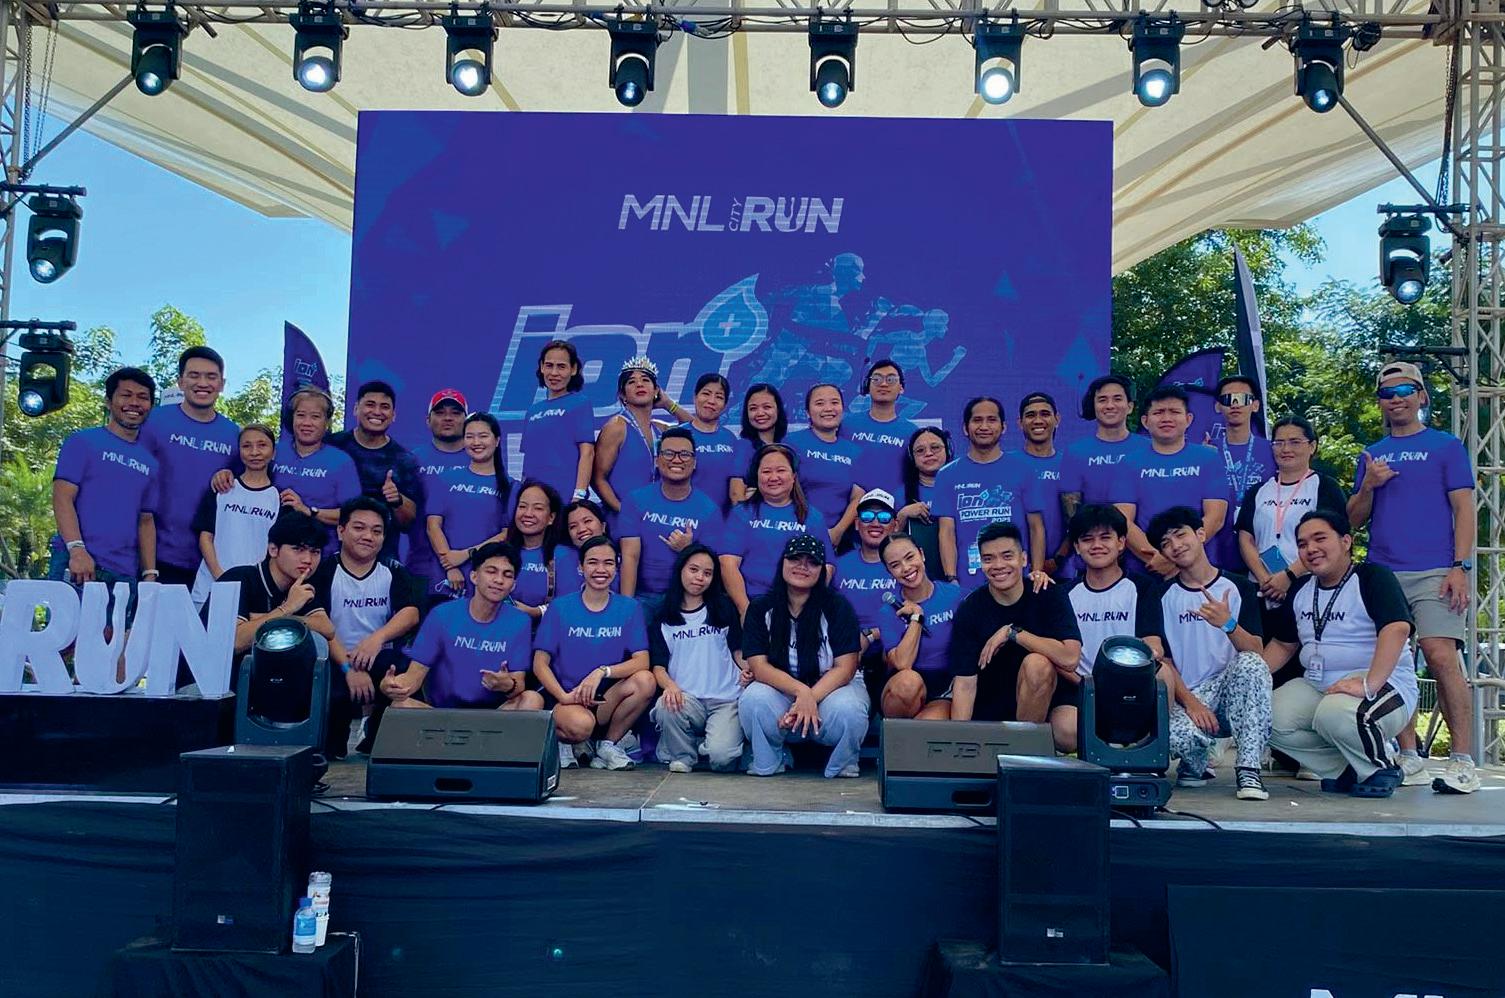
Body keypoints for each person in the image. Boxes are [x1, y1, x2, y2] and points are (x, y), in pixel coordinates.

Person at [1348, 360, 1478, 794]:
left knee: (1440, 656)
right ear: (1380, 403)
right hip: (1384, 570)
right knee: (1390, 661)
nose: (1396, 399)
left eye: (1405, 390)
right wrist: (1368, 485)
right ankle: (1408, 753)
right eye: (1387, 393)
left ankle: (1462, 760)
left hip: (1437, 568)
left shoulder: (1446, 446)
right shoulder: (1372, 453)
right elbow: (1352, 521)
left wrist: (1461, 566)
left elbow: (1464, 509)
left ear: (1422, 396)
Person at [1263, 510, 1419, 798]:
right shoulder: (1301, 588)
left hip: (1383, 684)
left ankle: (1381, 768)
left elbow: (1396, 628)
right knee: (1261, 716)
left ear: (1346, 541)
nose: (1311, 549)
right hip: (1318, 684)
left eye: (1320, 538)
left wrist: (1369, 684)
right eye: (1302, 544)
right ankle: (1344, 769)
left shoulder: (1373, 577)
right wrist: (1249, 681)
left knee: (1334, 713)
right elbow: (1284, 645)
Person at [1146, 506, 1270, 801]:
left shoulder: (1238, 586)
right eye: (1166, 543)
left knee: (1251, 664)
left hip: (1230, 692)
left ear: (1201, 534)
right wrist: (1192, 705)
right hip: (1187, 696)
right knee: (1170, 739)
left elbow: (1256, 651)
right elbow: (1163, 660)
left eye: (1181, 535)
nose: (1176, 545)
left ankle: (1249, 768)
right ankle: (1195, 762)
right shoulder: (1160, 596)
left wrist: (1227, 623)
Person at [739, 534, 869, 778]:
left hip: (831, 689)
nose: (802, 566)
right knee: (754, 699)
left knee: (850, 709)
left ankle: (842, 763)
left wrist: (809, 698)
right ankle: (770, 759)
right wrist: (801, 692)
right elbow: (759, 666)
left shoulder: (838, 607)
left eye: (812, 562)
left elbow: (846, 667)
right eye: (795, 559)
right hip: (784, 690)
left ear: (822, 570)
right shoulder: (760, 607)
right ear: (782, 563)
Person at [532, 536, 655, 770]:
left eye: (608, 563)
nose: (601, 569)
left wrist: (602, 672)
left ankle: (607, 745)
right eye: (592, 562)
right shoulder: (560, 607)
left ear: (617, 567)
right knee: (581, 726)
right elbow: (540, 664)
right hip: (567, 696)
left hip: (605, 698)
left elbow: (642, 661)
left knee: (645, 681)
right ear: (581, 567)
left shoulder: (629, 608)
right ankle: (564, 741)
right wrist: (563, 697)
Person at [313, 497, 423, 755]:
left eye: (376, 531)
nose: (368, 537)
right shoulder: (323, 572)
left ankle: (375, 736)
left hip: (379, 659)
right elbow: (319, 624)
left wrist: (377, 639)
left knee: (402, 676)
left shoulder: (392, 570)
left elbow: (411, 613)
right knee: (330, 748)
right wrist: (349, 667)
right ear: (341, 531)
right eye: (359, 528)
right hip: (335, 660)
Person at [380, 542, 543, 713]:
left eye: (507, 575)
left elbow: (518, 683)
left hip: (494, 716)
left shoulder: (520, 621)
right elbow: (414, 676)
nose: (498, 580)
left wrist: (507, 684)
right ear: (474, 576)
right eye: (491, 571)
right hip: (442, 714)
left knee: (532, 699)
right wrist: (392, 686)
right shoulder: (442, 615)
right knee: (400, 705)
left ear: (513, 585)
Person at [1235, 416, 1346, 666]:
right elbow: (1245, 537)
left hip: (1306, 585)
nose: (1286, 449)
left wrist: (1288, 576)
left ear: (1312, 446)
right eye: (1279, 442)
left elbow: (1330, 540)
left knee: (1300, 660)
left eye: (1295, 442)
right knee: (1260, 659)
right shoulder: (1259, 490)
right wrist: (1265, 578)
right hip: (1261, 588)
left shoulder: (1325, 486)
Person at [947, 523, 1081, 725]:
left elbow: (1070, 658)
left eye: (1007, 556)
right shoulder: (970, 609)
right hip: (992, 701)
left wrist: (1014, 633)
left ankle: (1025, 741)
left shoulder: (1048, 593)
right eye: (988, 559)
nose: (998, 565)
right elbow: (965, 683)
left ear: (1023, 559)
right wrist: (959, 736)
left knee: (1039, 667)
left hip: (1048, 698)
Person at [1059, 505, 1167, 752]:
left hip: (1132, 686)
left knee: (1165, 675)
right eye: (1087, 539)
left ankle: (1147, 752)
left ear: (1121, 543)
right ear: (1077, 547)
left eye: (1105, 537)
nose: (1096, 545)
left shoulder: (1143, 588)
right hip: (1080, 687)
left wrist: (1130, 675)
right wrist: (1087, 686)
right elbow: (1058, 656)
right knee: (1065, 731)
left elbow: (1154, 645)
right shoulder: (1064, 594)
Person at [50, 366, 161, 596]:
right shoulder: (82, 442)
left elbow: (146, 520)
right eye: (126, 395)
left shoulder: (150, 462)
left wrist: (150, 573)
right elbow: (62, 498)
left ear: (151, 405)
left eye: (142, 397)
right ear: (109, 401)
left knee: (116, 623)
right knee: (68, 622)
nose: (134, 403)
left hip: (124, 573)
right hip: (79, 565)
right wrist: (77, 550)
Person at [138, 347, 240, 587]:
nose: (202, 383)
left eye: (211, 376)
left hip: (208, 561)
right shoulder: (153, 421)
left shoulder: (234, 435)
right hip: (150, 556)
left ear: (222, 384)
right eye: (194, 375)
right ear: (181, 381)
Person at [649, 544, 750, 772]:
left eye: (707, 573)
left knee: (721, 758)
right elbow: (658, 667)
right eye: (693, 570)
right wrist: (670, 687)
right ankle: (684, 755)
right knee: (665, 704)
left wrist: (748, 669)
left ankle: (708, 744)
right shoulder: (663, 615)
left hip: (725, 699)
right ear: (680, 570)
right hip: (687, 698)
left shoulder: (723, 607)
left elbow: (737, 650)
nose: (699, 578)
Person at [1111, 385, 1226, 579]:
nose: (1166, 418)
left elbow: (1215, 518)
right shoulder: (1128, 463)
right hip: (1147, 569)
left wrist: (1177, 557)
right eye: (1158, 412)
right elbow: (1123, 520)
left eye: (1174, 412)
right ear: (1145, 421)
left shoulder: (1209, 459)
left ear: (1188, 419)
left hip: (1200, 571)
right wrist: (1158, 559)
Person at [933, 396, 1042, 591]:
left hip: (1017, 582)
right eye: (977, 420)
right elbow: (946, 532)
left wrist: (1037, 572)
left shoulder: (1024, 470)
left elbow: (1036, 527)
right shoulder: (947, 475)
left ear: (1004, 427)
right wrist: (952, 579)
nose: (984, 426)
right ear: (965, 428)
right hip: (968, 585)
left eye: (991, 420)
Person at [720, 443, 834, 613]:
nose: (773, 477)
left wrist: (802, 607)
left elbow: (827, 566)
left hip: (796, 607)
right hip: (751, 603)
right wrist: (746, 611)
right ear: (756, 476)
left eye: (781, 470)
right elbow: (728, 563)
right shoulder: (741, 513)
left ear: (794, 476)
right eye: (766, 472)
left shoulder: (813, 517)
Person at [619, 428, 721, 605]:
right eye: (668, 453)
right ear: (657, 460)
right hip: (643, 596)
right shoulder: (635, 500)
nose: (677, 459)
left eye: (685, 454)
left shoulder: (709, 510)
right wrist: (627, 607)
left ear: (694, 463)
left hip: (686, 598)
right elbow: (630, 557)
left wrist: (688, 550)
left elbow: (710, 567)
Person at [219, 509, 334, 659]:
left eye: (315, 552)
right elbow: (232, 642)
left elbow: (327, 628)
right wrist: (288, 608)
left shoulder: (302, 583)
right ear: (273, 550)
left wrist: (273, 619)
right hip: (220, 671)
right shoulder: (239, 578)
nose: (308, 560)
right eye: (298, 549)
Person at [423, 412, 514, 600]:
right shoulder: (445, 479)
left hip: (488, 580)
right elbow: (433, 526)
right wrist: (450, 566)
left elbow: (506, 534)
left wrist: (466, 554)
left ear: (497, 440)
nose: (476, 442)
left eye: (483, 436)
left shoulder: (512, 486)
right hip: (446, 577)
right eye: (470, 436)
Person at [327, 381, 422, 562]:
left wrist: (396, 500)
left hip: (381, 559)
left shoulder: (404, 460)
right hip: (330, 552)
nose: (377, 412)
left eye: (384, 407)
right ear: (356, 408)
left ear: (393, 415)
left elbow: (408, 523)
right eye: (370, 404)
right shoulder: (332, 446)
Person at [877, 533, 964, 719]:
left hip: (943, 686)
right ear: (889, 571)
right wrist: (917, 617)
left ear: (922, 554)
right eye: (895, 565)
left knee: (926, 727)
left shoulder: (954, 596)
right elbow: (902, 663)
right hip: (903, 687)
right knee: (908, 683)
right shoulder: (888, 611)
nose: (906, 568)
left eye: (910, 557)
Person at [192, 424, 280, 605]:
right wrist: (221, 577)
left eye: (262, 445)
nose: (254, 452)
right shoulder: (222, 488)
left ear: (273, 453)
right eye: (247, 446)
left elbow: (276, 552)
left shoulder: (279, 499)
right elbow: (205, 537)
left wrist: (251, 584)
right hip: (210, 585)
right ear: (239, 451)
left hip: (251, 591)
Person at [267, 386, 361, 553]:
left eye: (315, 417)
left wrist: (308, 511)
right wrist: (227, 474)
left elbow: (353, 515)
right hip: (272, 550)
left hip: (320, 554)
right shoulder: (274, 451)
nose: (307, 423)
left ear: (327, 423)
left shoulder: (341, 461)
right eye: (300, 415)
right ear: (291, 419)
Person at [593, 356, 683, 522]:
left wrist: (668, 404)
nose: (639, 384)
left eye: (645, 380)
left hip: (654, 518)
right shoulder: (616, 427)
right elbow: (598, 479)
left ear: (656, 391)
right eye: (631, 382)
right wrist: (623, 511)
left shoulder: (659, 429)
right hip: (623, 520)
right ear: (623, 394)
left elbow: (696, 430)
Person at [405, 389, 475, 589]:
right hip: (421, 564)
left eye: (455, 413)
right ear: (428, 420)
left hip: (472, 566)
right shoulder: (412, 460)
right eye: (440, 412)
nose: (448, 418)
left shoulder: (481, 459)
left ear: (466, 420)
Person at [1208, 375, 1275, 571]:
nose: (1235, 404)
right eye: (1228, 399)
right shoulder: (1206, 451)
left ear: (1255, 405)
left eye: (1243, 398)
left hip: (1264, 545)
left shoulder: (1274, 450)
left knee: (1271, 586)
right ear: (1218, 406)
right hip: (1217, 549)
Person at [1060, 374, 1148, 520]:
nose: (1110, 406)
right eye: (1102, 400)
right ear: (1094, 406)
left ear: (1130, 406)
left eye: (1117, 399)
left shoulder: (1147, 448)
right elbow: (1072, 515)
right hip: (1093, 533)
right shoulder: (1075, 452)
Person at [784, 383, 864, 545]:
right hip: (794, 531)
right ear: (807, 412)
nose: (828, 408)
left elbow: (857, 496)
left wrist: (837, 531)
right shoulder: (792, 443)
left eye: (834, 402)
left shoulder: (854, 451)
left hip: (837, 537)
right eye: (819, 403)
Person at [521, 339, 596, 502]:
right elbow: (527, 463)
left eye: (561, 366)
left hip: (565, 498)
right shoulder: (532, 411)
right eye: (549, 365)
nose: (554, 373)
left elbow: (587, 453)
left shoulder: (580, 403)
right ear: (541, 367)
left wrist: (579, 494)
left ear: (573, 369)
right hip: (535, 501)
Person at [833, 489, 902, 656]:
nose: (875, 523)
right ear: (857, 523)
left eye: (884, 517)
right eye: (867, 516)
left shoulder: (906, 566)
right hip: (845, 650)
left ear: (895, 526)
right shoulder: (839, 565)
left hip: (893, 650)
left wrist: (871, 635)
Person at [843, 359, 920, 502]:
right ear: (867, 386)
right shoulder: (846, 424)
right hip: (849, 507)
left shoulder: (912, 432)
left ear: (901, 388)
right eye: (877, 379)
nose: (883, 384)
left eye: (891, 379)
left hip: (893, 509)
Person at [1016, 392, 1068, 576]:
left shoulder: (1070, 464)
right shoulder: (1008, 464)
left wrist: (1058, 559)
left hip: (1063, 569)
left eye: (1045, 414)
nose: (1038, 420)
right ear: (1020, 422)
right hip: (1014, 570)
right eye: (1030, 415)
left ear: (1057, 419)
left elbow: (1079, 519)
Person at [895, 426, 953, 580]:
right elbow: (890, 544)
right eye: (920, 450)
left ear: (948, 451)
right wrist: (903, 514)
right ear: (912, 458)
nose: (928, 453)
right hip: (919, 577)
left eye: (935, 447)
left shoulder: (962, 487)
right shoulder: (901, 494)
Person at [683, 373, 741, 510]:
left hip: (721, 518)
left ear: (725, 405)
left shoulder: (730, 439)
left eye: (719, 397)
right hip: (685, 514)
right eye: (706, 393)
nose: (711, 401)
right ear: (695, 397)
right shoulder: (678, 436)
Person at [507, 480, 563, 620]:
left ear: (551, 517)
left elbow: (570, 604)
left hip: (546, 629)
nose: (528, 513)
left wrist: (537, 612)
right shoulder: (501, 552)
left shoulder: (563, 555)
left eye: (538, 508)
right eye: (522, 506)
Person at [729, 383, 788, 503]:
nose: (760, 413)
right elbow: (736, 495)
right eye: (753, 408)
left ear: (778, 409)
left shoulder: (789, 446)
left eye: (767, 407)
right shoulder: (743, 447)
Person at [555, 498, 612, 595]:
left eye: (587, 521)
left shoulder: (620, 557)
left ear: (603, 526)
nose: (581, 529)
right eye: (573, 526)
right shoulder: (559, 555)